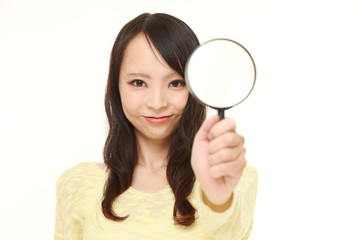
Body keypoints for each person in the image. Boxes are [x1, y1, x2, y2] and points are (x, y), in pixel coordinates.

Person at [55, 12, 258, 240]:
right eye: (139, 83)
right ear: (116, 86)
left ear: (195, 87)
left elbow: (229, 231)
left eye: (176, 83)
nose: (157, 103)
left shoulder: (234, 177)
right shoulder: (77, 184)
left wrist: (218, 196)